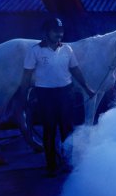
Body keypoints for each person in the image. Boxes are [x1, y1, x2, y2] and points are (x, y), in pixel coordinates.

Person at [19, 17, 95, 176]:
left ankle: (68, 163)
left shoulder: (67, 49)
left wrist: (87, 88)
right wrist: (23, 96)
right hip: (45, 94)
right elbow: (26, 76)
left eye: (61, 31)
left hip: (66, 93)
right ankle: (51, 166)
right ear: (46, 32)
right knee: (49, 130)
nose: (59, 34)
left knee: (67, 129)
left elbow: (75, 70)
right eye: (55, 31)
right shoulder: (35, 51)